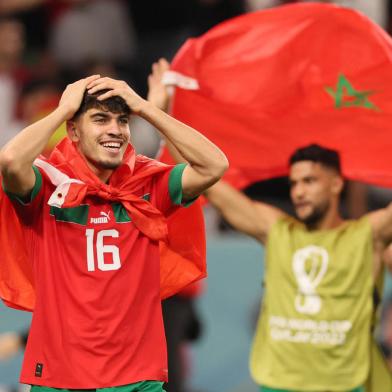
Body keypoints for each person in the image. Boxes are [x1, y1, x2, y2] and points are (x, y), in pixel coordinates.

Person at [148, 58, 392, 392]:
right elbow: (208, 181)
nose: (299, 192)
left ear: (337, 184)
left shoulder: (368, 236)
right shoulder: (276, 230)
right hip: (277, 386)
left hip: (344, 386)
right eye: (294, 183)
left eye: (309, 181)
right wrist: (159, 114)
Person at [0, 75, 228, 391]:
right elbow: (10, 160)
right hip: (59, 376)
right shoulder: (48, 187)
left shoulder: (149, 186)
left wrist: (147, 110)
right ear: (74, 130)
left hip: (135, 378)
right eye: (100, 118)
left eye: (122, 120)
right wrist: (62, 110)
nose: (115, 129)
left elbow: (214, 166)